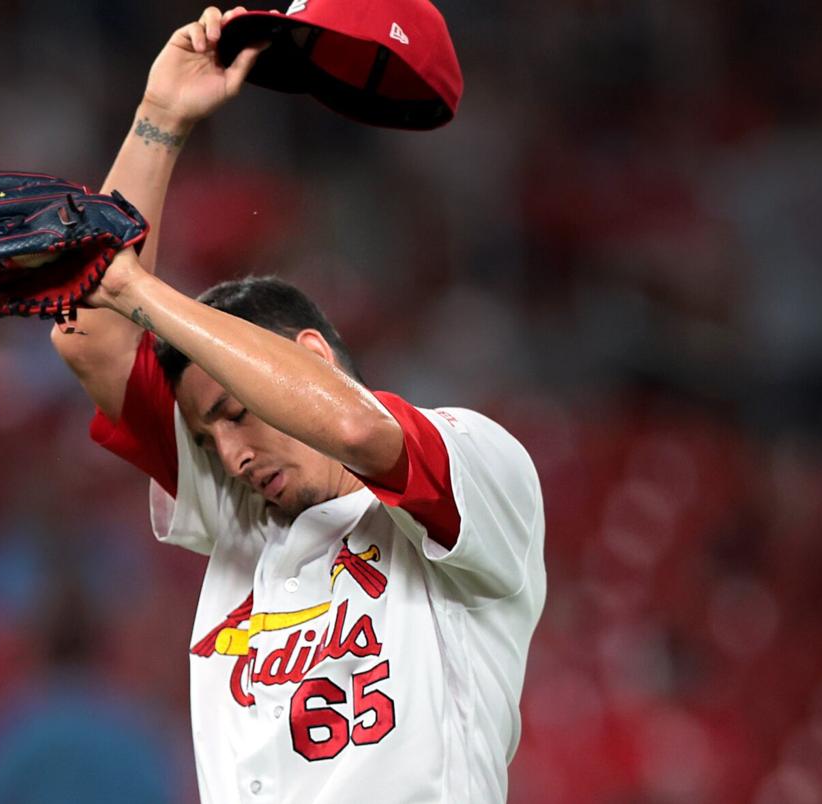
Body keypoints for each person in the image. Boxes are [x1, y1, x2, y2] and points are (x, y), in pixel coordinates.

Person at [51, 7, 546, 802]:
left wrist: (141, 290)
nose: (232, 455)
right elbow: (90, 335)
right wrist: (160, 117)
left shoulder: (481, 464)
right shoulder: (243, 515)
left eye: (237, 411)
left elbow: (355, 426)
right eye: (208, 438)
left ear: (309, 353)